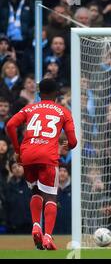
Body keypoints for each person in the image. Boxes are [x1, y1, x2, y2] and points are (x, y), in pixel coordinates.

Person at [5, 78, 77, 250]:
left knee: (36, 191)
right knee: (51, 196)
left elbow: (10, 125)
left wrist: (18, 149)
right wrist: (68, 145)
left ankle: (36, 225)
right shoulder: (63, 111)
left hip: (28, 154)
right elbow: (73, 141)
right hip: (47, 156)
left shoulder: (30, 108)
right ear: (56, 94)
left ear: (38, 93)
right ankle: (47, 237)